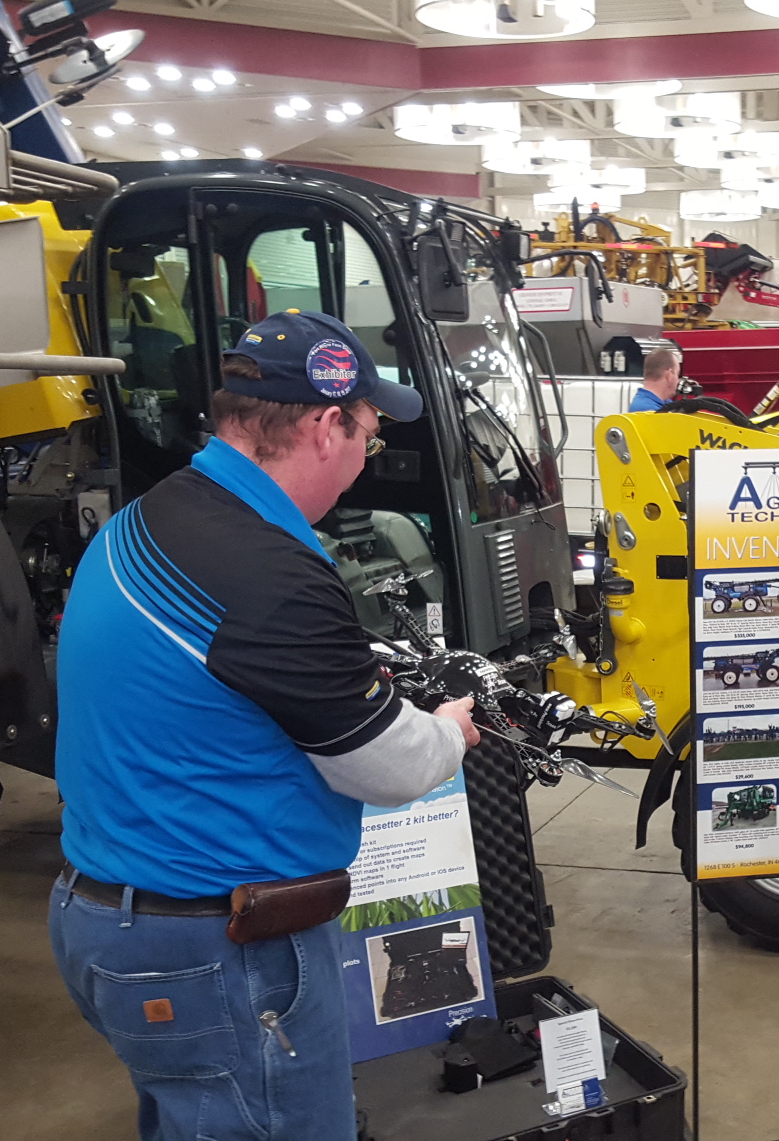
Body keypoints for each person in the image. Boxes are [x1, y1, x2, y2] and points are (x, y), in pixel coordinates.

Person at [50, 309, 480, 1141]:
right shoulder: (269, 573)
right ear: (325, 427)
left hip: (109, 919)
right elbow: (387, 768)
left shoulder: (148, 517)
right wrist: (446, 731)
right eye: (368, 437)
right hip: (218, 949)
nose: (364, 460)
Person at [628, 347, 681, 412]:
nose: (678, 381)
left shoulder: (665, 402)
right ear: (669, 375)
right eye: (677, 374)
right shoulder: (647, 409)